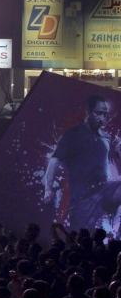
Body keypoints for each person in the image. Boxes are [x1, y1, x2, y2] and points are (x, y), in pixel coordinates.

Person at [42, 95, 120, 230]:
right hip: (82, 199)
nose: (102, 118)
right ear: (88, 111)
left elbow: (108, 163)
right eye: (98, 113)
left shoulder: (106, 137)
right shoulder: (73, 135)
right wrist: (48, 190)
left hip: (104, 190)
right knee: (81, 238)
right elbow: (54, 161)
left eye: (105, 114)